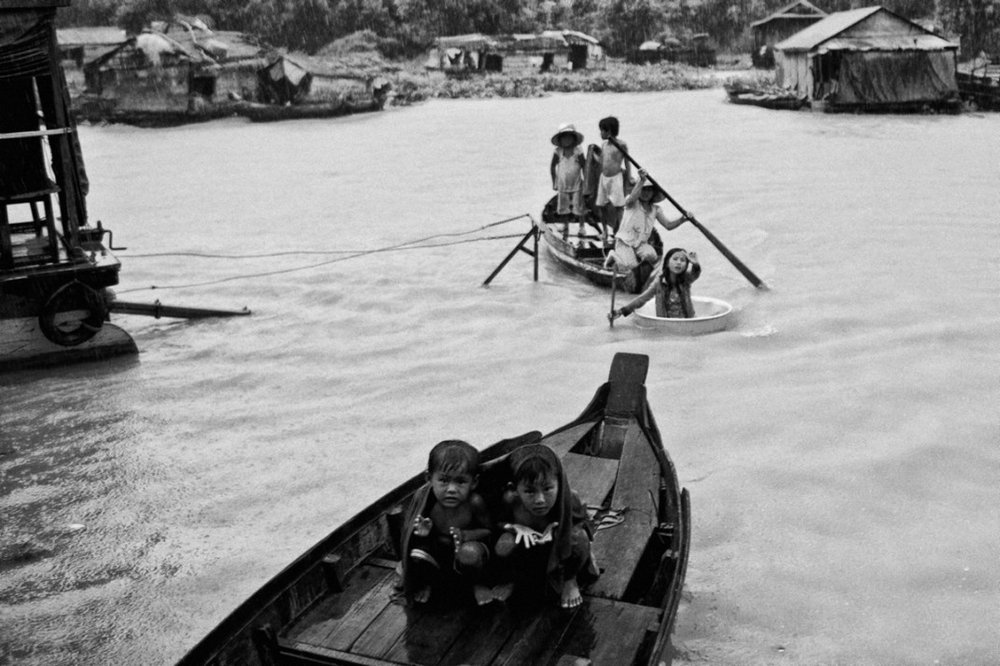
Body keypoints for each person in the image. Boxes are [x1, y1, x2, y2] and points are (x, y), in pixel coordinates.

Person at [492, 444, 599, 609]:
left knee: (579, 537)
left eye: (548, 488)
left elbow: (586, 525)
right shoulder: (510, 500)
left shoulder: (569, 499)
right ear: (515, 489)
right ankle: (511, 579)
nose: (540, 500)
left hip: (558, 549)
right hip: (528, 548)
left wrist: (556, 530)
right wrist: (515, 527)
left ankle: (570, 581)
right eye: (529, 492)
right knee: (504, 543)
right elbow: (496, 523)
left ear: (559, 483)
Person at [401, 440, 494, 606]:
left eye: (460, 482)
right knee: (417, 553)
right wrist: (423, 534)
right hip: (441, 551)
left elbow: (488, 531)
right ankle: (428, 583)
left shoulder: (474, 502)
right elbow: (409, 537)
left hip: (467, 552)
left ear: (474, 482)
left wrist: (466, 535)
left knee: (470, 553)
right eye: (443, 481)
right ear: (429, 479)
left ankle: (477, 584)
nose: (451, 489)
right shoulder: (426, 501)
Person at [604, 168, 688, 273]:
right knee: (631, 267)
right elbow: (631, 199)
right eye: (644, 190)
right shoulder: (633, 203)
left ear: (653, 193)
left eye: (649, 190)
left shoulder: (655, 209)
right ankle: (613, 256)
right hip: (624, 242)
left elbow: (668, 225)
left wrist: (682, 219)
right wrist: (642, 180)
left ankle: (638, 264)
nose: (646, 193)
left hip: (640, 244)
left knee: (652, 256)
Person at [610, 247, 701, 321]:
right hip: (666, 323)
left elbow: (695, 273)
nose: (678, 262)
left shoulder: (686, 279)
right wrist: (621, 311)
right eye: (675, 259)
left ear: (686, 265)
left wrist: (696, 264)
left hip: (688, 321)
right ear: (667, 263)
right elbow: (642, 298)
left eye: (682, 260)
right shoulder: (659, 282)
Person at [594, 116, 631, 238]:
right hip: (604, 178)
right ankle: (604, 231)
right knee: (601, 205)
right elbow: (602, 161)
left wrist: (629, 177)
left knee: (619, 206)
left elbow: (627, 161)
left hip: (616, 178)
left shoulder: (621, 145)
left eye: (602, 130)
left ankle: (619, 231)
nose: (600, 133)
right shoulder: (604, 145)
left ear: (608, 131)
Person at [549, 123, 587, 231]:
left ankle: (582, 226)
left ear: (573, 138)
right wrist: (554, 182)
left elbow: (584, 166)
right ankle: (565, 225)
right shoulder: (558, 152)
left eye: (569, 137)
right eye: (564, 137)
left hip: (577, 184)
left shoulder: (578, 150)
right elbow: (552, 167)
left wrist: (586, 183)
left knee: (579, 207)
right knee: (563, 207)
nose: (566, 140)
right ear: (560, 140)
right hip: (562, 185)